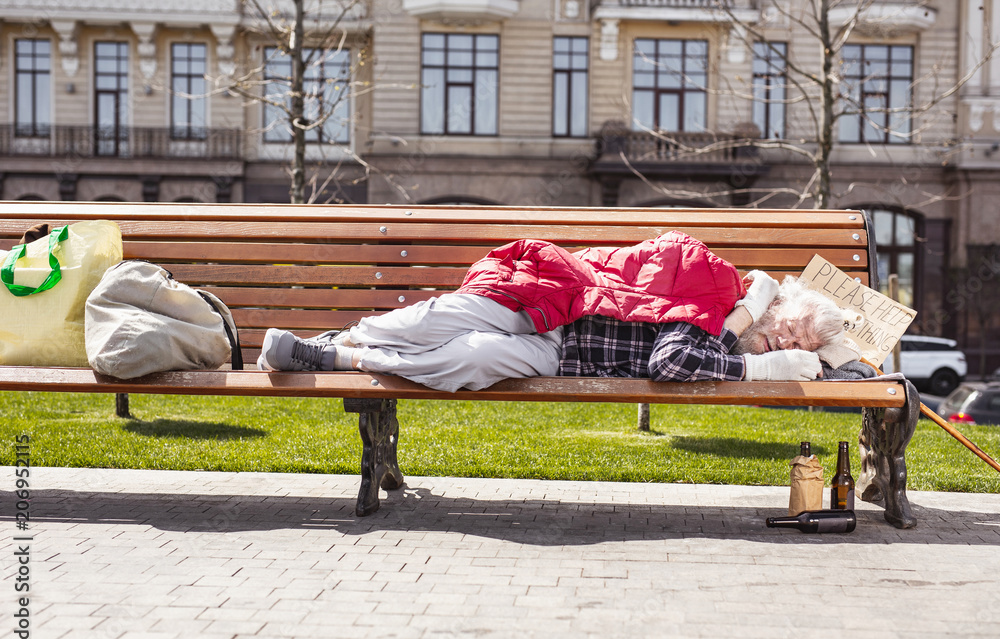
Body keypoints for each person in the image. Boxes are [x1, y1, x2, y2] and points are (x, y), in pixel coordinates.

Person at [257, 233, 866, 391]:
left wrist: (825, 362)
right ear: (775, 308)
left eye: (797, 344)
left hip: (561, 352)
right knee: (437, 320)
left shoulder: (723, 347)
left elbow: (673, 362)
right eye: (786, 331)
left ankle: (336, 355)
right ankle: (343, 337)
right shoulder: (722, 300)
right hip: (557, 301)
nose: (782, 343)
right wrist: (760, 350)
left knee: (469, 361)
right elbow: (672, 354)